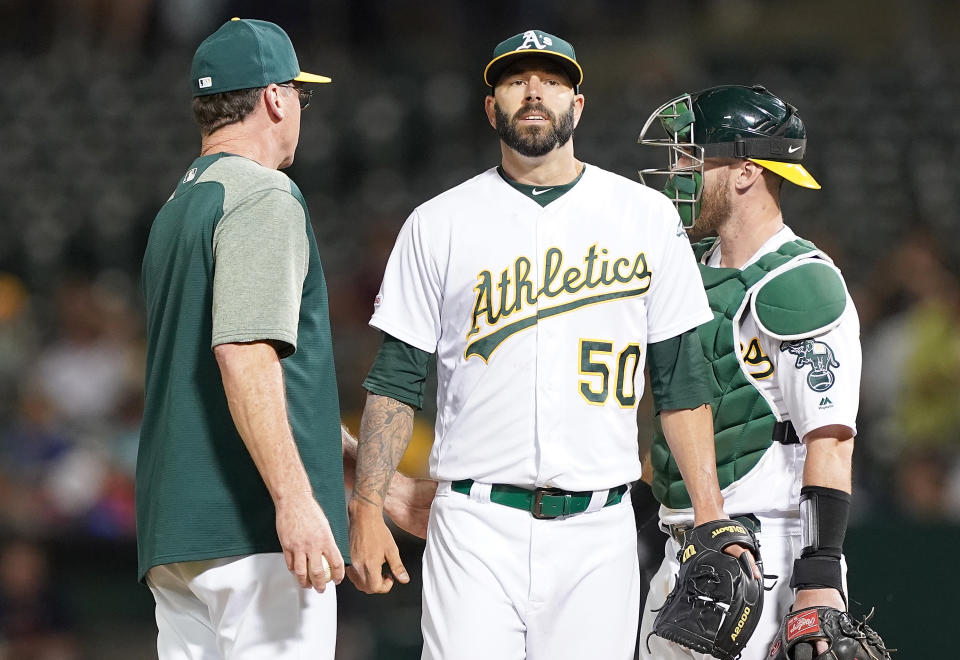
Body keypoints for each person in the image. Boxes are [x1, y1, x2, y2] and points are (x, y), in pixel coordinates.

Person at [347, 30, 749, 660]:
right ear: (491, 107)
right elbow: (396, 379)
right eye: (516, 80)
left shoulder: (643, 216)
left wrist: (710, 514)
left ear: (577, 105)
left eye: (552, 80)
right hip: (475, 524)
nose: (534, 91)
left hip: (601, 528)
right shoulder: (438, 222)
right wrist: (368, 508)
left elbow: (682, 382)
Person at [139, 18, 350, 659]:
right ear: (274, 98)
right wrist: (293, 498)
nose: (298, 110)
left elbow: (214, 369)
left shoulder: (178, 205)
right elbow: (244, 355)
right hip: (253, 531)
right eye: (298, 94)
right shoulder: (261, 193)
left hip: (178, 537)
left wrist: (360, 467)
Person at [637, 85, 864, 660]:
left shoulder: (799, 283)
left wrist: (818, 576)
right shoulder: (688, 268)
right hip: (679, 550)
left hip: (763, 555)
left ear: (743, 172)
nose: (679, 172)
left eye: (693, 157)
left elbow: (831, 440)